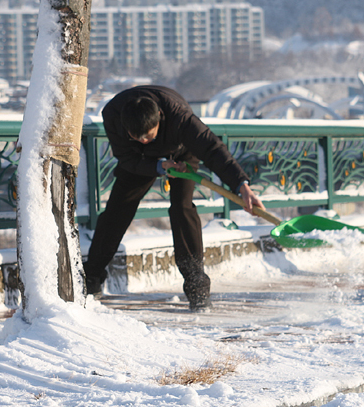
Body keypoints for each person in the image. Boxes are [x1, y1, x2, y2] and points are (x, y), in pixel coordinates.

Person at [83, 85, 265, 311]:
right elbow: (126, 157)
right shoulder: (112, 115)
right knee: (117, 210)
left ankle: (197, 288)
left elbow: (212, 149)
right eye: (136, 137)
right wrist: (158, 166)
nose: (144, 141)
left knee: (182, 208)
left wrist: (242, 185)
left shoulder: (180, 117)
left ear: (160, 117)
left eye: (148, 136)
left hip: (181, 151)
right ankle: (91, 278)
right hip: (139, 161)